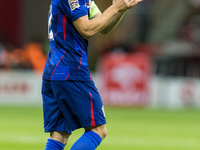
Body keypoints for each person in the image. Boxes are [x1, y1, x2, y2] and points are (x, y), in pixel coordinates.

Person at [41, 0, 143, 150]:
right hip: (71, 70)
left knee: (59, 134)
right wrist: (115, 7)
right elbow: (86, 30)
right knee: (98, 130)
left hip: (55, 71)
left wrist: (121, 9)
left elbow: (104, 27)